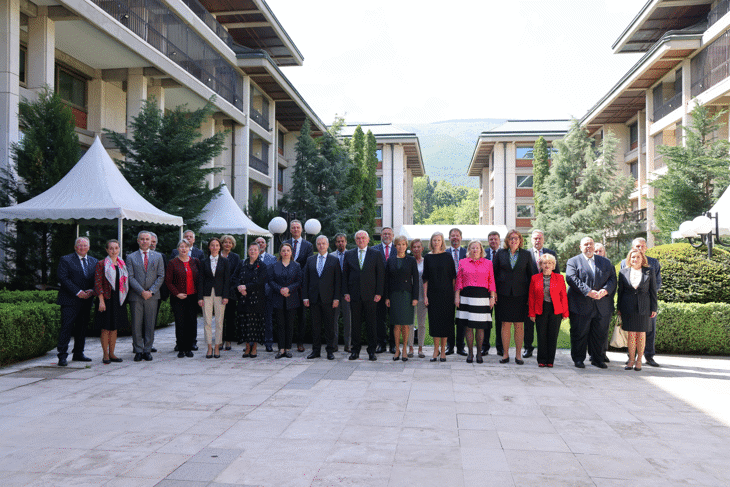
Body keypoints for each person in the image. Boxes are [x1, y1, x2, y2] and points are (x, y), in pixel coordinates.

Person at [565, 237, 616, 369]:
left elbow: (612, 279)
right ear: (580, 247)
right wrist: (588, 291)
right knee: (579, 333)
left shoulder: (605, 262)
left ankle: (597, 359)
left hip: (602, 305)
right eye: (585, 244)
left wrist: (605, 291)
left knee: (600, 334)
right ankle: (578, 359)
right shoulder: (573, 261)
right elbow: (571, 278)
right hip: (580, 305)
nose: (589, 246)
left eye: (591, 244)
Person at [494, 230, 535, 365]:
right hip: (503, 295)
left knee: (519, 325)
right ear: (507, 240)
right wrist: (493, 293)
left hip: (521, 295)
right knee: (505, 324)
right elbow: (493, 275)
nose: (514, 240)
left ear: (520, 240)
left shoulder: (526, 254)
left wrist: (530, 296)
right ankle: (505, 354)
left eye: (516, 238)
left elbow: (532, 276)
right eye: (511, 238)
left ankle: (518, 355)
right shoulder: (500, 253)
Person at [343, 230, 385, 361]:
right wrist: (346, 292)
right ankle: (355, 350)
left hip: (371, 295)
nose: (361, 240)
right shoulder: (349, 254)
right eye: (358, 238)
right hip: (354, 295)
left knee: (371, 324)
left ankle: (371, 351)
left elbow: (380, 275)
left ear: (368, 240)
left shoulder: (376, 254)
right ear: (355, 241)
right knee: (355, 324)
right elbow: (345, 275)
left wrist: (379, 292)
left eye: (363, 238)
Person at [56, 237, 98, 366]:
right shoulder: (66, 259)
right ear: (75, 247)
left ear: (89, 247)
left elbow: (97, 279)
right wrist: (78, 292)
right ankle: (62, 356)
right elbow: (63, 278)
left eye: (85, 245)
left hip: (86, 301)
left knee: (82, 328)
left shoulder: (94, 261)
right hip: (70, 300)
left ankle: (78, 353)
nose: (82, 247)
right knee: (66, 328)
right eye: (79, 245)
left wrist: (92, 290)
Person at [620, 237, 662, 367]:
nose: (640, 248)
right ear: (632, 248)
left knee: (648, 331)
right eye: (637, 246)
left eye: (643, 246)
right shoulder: (624, 263)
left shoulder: (653, 263)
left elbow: (657, 284)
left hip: (646, 304)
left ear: (646, 248)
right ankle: (631, 357)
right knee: (631, 333)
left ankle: (649, 356)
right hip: (630, 305)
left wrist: (647, 298)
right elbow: (622, 286)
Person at [455, 240, 496, 364]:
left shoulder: (488, 263)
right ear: (469, 250)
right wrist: (457, 296)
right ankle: (470, 353)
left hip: (482, 297)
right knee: (468, 327)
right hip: (466, 297)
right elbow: (459, 280)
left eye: (477, 248)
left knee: (480, 327)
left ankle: (479, 353)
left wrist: (492, 296)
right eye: (472, 248)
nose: (475, 250)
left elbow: (491, 280)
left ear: (481, 249)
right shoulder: (463, 262)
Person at [127, 231, 165, 362]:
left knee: (150, 324)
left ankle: (147, 350)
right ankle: (138, 350)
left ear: (151, 241)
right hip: (136, 296)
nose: (144, 241)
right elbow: (130, 277)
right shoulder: (131, 257)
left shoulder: (158, 256)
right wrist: (141, 291)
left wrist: (151, 291)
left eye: (147, 239)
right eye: (142, 239)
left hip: (152, 296)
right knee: (136, 324)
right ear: (138, 241)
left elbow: (161, 275)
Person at [303, 235, 342, 360]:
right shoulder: (310, 260)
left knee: (330, 327)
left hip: (329, 300)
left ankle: (330, 350)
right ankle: (316, 351)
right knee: (315, 326)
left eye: (323, 243)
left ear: (328, 244)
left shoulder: (334, 260)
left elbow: (338, 281)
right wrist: (305, 297)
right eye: (319, 243)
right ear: (316, 245)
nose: (321, 246)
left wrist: (337, 298)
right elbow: (306, 280)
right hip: (314, 298)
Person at [524, 229, 560, 359]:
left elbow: (557, 274)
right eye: (535, 238)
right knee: (528, 323)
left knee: (544, 325)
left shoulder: (551, 253)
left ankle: (544, 351)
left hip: (547, 297)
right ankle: (528, 348)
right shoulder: (526, 254)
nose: (537, 240)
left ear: (543, 239)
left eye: (539, 238)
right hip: (530, 294)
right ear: (531, 240)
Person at [528, 254, 569, 367]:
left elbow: (563, 296)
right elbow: (531, 297)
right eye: (544, 263)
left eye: (550, 263)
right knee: (541, 335)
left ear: (553, 265)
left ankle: (550, 360)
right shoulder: (535, 278)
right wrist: (531, 313)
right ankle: (541, 360)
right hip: (540, 309)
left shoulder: (559, 278)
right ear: (540, 265)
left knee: (552, 335)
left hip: (555, 310)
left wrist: (565, 312)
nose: (547, 265)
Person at [93, 239, 129, 364]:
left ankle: (112, 353)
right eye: (111, 248)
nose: (114, 251)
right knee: (105, 328)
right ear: (107, 250)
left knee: (114, 328)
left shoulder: (122, 264)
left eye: (116, 248)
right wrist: (101, 301)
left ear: (119, 249)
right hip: (106, 299)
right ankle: (105, 355)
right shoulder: (101, 264)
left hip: (118, 299)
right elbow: (98, 284)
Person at [422, 232, 456, 362]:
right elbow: (425, 279)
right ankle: (435, 350)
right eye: (434, 240)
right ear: (431, 242)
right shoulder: (428, 257)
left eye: (439, 240)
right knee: (435, 323)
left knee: (446, 323)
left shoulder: (448, 256)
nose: (436, 242)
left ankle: (443, 351)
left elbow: (453, 277)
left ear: (442, 242)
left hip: (447, 295)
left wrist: (454, 295)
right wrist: (425, 296)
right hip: (433, 295)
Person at [385, 235, 419, 361]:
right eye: (399, 244)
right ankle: (397, 350)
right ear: (395, 246)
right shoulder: (391, 260)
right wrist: (387, 297)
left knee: (405, 325)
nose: (401, 246)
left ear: (406, 246)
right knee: (396, 325)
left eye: (403, 244)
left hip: (407, 296)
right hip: (394, 296)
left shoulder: (411, 260)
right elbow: (387, 280)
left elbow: (415, 280)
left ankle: (405, 349)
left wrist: (415, 297)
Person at [166, 239, 200, 358]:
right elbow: (168, 282)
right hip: (178, 298)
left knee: (191, 323)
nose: (184, 249)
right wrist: (177, 293)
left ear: (189, 248)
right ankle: (181, 348)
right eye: (181, 247)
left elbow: (200, 280)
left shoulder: (195, 261)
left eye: (186, 247)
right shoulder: (172, 263)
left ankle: (189, 347)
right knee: (180, 324)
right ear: (177, 249)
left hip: (192, 297)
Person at [233, 242, 267, 358]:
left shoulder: (262, 266)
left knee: (255, 324)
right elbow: (235, 278)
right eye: (251, 250)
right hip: (243, 299)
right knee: (245, 324)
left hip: (257, 300)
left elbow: (260, 282)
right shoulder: (242, 263)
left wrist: (246, 287)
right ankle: (247, 347)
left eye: (255, 250)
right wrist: (239, 287)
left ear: (259, 251)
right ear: (248, 251)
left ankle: (254, 348)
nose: (252, 252)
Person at [283, 219, 313, 352]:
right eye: (293, 228)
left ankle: (300, 342)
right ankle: (286, 342)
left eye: (298, 228)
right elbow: (282, 261)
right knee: (288, 315)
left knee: (301, 315)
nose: (295, 230)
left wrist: (299, 277)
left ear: (302, 230)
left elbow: (309, 264)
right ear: (290, 230)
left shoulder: (308, 245)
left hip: (301, 286)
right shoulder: (285, 244)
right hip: (288, 285)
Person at [197, 238, 230, 359]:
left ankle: (217, 346)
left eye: (217, 245)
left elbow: (227, 280)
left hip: (220, 294)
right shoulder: (203, 262)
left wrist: (226, 296)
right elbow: (200, 280)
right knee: (207, 321)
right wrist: (199, 297)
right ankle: (209, 347)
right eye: (212, 245)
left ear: (220, 247)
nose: (215, 247)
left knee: (219, 321)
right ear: (209, 247)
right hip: (206, 294)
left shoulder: (225, 261)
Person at [270, 243, 302, 359]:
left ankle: (288, 349)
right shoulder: (275, 265)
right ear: (280, 252)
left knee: (290, 325)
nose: (285, 252)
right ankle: (281, 349)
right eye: (283, 250)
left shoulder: (296, 265)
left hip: (291, 298)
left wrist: (289, 289)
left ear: (291, 252)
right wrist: (280, 289)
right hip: (278, 298)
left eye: (288, 250)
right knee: (280, 325)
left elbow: (299, 281)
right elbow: (271, 281)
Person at [446, 227, 468, 356]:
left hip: (464, 290)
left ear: (461, 237)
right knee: (449, 319)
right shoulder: (445, 253)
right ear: (449, 238)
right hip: (448, 290)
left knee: (461, 319)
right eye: (452, 236)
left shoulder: (466, 252)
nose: (455, 238)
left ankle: (461, 346)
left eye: (457, 235)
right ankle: (450, 346)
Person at [374, 226, 394, 353]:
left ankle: (393, 344)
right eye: (384, 234)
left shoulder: (399, 249)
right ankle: (381, 343)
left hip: (394, 289)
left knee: (393, 318)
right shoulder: (374, 250)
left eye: (389, 234)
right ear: (381, 236)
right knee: (379, 318)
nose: (386, 236)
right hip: (379, 289)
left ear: (392, 236)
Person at [482, 230, 502, 357]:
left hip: (501, 292)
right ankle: (485, 346)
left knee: (500, 321)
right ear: (488, 241)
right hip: (485, 292)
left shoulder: (504, 253)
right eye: (491, 239)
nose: (493, 241)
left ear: (499, 240)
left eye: (495, 239)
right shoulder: (483, 254)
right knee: (486, 320)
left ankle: (500, 347)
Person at [256, 236, 277, 352]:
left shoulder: (272, 259)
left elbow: (273, 277)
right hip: (254, 294)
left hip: (268, 293)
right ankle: (252, 343)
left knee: (268, 320)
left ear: (266, 245)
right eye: (258, 242)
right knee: (253, 320)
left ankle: (268, 342)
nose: (260, 244)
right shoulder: (250, 258)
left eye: (262, 242)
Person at [331, 233, 351, 352]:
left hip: (347, 293)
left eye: (342, 241)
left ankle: (348, 344)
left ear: (346, 242)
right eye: (338, 241)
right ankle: (334, 344)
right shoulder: (330, 256)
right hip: (334, 292)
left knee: (348, 320)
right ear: (335, 243)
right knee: (334, 319)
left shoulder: (351, 255)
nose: (340, 243)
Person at [408, 238, 427, 359]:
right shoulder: (408, 261)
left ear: (422, 248)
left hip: (423, 296)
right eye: (414, 247)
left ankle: (420, 347)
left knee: (422, 323)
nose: (416, 249)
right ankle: (410, 347)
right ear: (411, 249)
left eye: (418, 247)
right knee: (410, 323)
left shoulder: (426, 262)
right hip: (410, 297)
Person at [148, 232, 164, 353]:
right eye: (150, 241)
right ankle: (137, 343)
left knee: (152, 320)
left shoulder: (161, 256)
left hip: (155, 294)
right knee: (139, 321)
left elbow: (163, 275)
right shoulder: (135, 256)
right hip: (140, 293)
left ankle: (149, 343)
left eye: (154, 242)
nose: (152, 244)